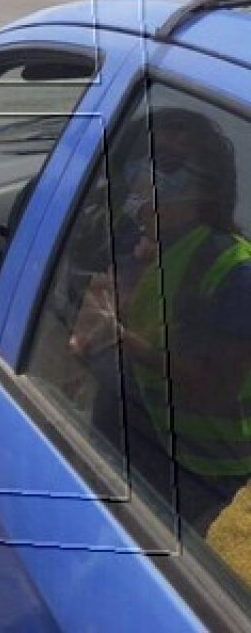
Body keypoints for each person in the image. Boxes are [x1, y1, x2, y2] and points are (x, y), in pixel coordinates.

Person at [70, 108, 251, 535]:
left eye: (169, 165)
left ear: (206, 187)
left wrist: (117, 336)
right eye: (143, 157)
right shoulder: (140, 239)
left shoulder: (233, 271)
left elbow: (212, 386)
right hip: (140, 420)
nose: (149, 174)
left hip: (200, 464)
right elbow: (89, 331)